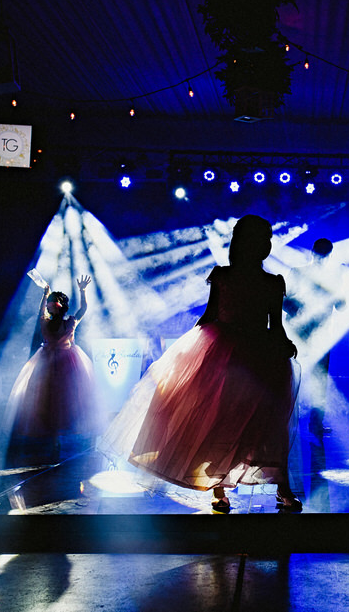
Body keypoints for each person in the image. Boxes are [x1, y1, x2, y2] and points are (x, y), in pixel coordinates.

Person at [100, 215, 302, 513]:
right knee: (221, 422)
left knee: (266, 425)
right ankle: (220, 489)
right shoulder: (223, 276)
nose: (267, 243)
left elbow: (276, 324)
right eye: (264, 238)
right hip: (228, 356)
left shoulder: (272, 282)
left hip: (256, 354)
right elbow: (210, 316)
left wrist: (284, 344)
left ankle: (275, 489)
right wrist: (185, 352)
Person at [6, 275, 100, 445]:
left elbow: (83, 309)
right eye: (50, 303)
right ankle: (51, 434)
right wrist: (45, 294)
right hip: (47, 362)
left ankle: (58, 435)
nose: (51, 306)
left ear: (61, 307)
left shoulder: (70, 322)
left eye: (54, 303)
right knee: (45, 395)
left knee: (65, 396)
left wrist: (82, 290)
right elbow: (41, 312)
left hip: (67, 362)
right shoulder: (45, 322)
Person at [285, 237, 346, 439]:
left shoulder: (329, 276)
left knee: (310, 378)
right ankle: (303, 422)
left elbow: (340, 305)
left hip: (315, 334)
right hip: (302, 333)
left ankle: (311, 423)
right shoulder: (299, 272)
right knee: (301, 377)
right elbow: (284, 301)